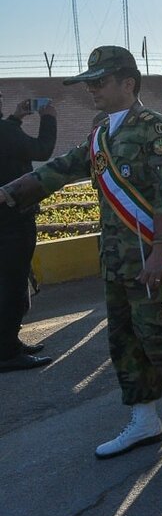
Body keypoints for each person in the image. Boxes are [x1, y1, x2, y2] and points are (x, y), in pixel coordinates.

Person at [0, 46, 162, 457]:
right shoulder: (103, 133)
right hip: (117, 259)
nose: (92, 89)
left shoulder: (156, 129)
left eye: (99, 81)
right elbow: (61, 168)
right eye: (89, 82)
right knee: (123, 341)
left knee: (159, 336)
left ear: (128, 83)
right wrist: (8, 194)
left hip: (148, 259)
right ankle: (144, 418)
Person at [0, 91, 56, 372]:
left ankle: (8, 341)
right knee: (12, 286)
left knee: (8, 283)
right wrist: (49, 119)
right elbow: (43, 150)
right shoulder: (5, 132)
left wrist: (15, 119)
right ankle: (7, 352)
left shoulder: (7, 129)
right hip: (12, 221)